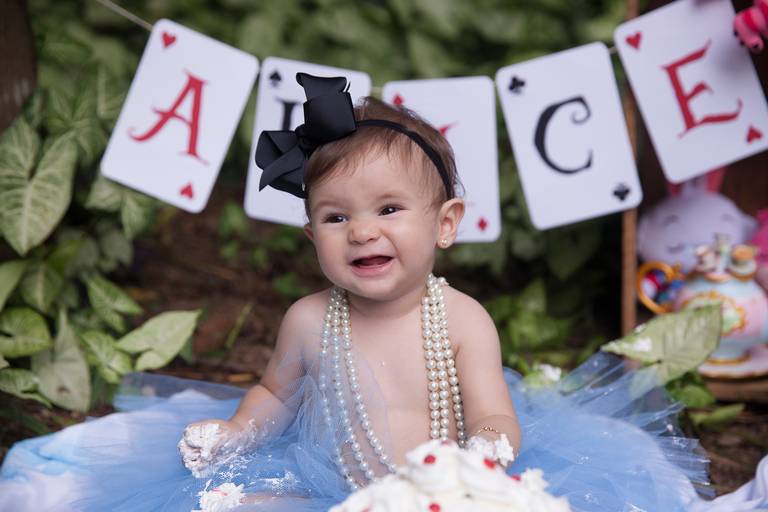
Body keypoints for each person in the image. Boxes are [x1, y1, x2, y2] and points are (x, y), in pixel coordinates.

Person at [0, 74, 727, 512]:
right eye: (335, 217)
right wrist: (238, 433)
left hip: (440, 490)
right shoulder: (309, 319)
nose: (362, 232)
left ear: (445, 224)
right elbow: (276, 393)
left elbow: (491, 410)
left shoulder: (462, 320)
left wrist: (484, 452)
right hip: (329, 487)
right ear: (311, 233)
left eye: (388, 209)